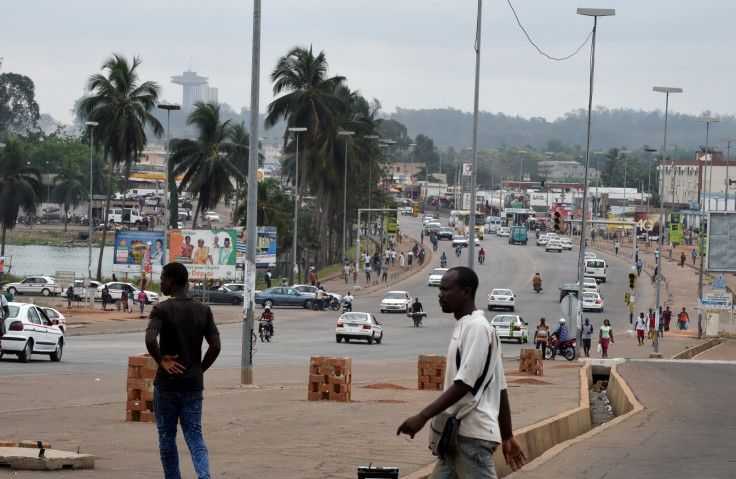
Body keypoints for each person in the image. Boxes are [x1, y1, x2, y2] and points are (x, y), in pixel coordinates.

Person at [396, 267, 527, 477]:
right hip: (456, 437)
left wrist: (423, 416)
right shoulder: (465, 325)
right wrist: (507, 435)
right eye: (440, 289)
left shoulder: (477, 327)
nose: (440, 294)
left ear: (466, 292)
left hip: (472, 439)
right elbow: (499, 387)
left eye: (446, 289)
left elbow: (465, 383)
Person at [145, 262, 221, 479]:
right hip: (193, 386)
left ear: (171, 281)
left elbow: (150, 339)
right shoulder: (203, 309)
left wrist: (161, 361)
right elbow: (215, 346)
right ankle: (204, 476)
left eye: (162, 278)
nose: (161, 282)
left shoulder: (162, 309)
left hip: (166, 385)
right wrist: (199, 369)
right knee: (195, 436)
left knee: (167, 437)